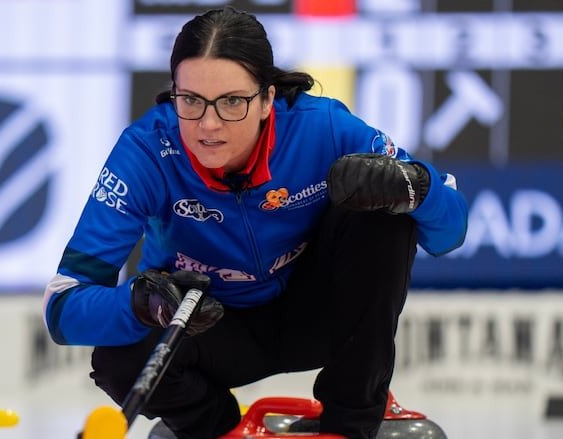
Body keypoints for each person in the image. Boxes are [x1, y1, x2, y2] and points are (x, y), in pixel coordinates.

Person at [43, 6, 468, 439]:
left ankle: (352, 424)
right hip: (211, 324)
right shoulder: (146, 152)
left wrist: (417, 188)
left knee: (386, 211)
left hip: (320, 318)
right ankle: (217, 429)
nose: (208, 125)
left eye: (231, 102)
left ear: (267, 99)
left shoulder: (323, 127)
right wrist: (139, 303)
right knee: (120, 359)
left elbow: (450, 233)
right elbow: (61, 308)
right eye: (190, 100)